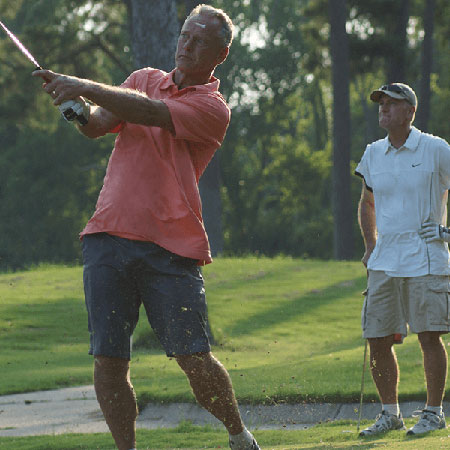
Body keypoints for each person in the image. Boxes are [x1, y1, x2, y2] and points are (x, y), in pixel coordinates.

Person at [33, 5, 260, 450]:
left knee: (194, 357)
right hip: (107, 234)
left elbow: (150, 113)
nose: (186, 45)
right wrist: (76, 108)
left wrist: (83, 83)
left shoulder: (212, 108)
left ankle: (238, 435)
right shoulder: (142, 77)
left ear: (222, 54)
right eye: (184, 35)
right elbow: (99, 125)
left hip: (170, 247)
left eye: (199, 41)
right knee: (109, 360)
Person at [355, 82, 450, 437]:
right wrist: (369, 245)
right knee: (377, 336)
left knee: (429, 335)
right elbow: (367, 202)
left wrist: (445, 232)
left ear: (410, 111)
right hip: (385, 259)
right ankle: (390, 414)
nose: (383, 109)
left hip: (426, 257)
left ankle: (433, 412)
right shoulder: (373, 153)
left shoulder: (435, 148)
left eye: (391, 104)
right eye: (381, 103)